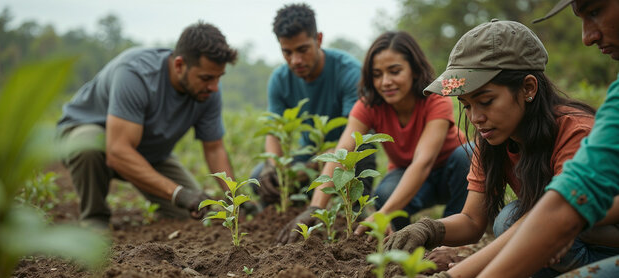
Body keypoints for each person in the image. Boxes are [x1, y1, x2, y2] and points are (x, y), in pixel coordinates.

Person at [394, 8, 619, 278]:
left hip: (596, 241)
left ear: (528, 88)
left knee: (519, 221)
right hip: (560, 241)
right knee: (510, 220)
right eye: (467, 106)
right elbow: (472, 219)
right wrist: (429, 228)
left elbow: (553, 215)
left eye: (486, 101)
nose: (477, 117)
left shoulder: (575, 131)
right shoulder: (494, 141)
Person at [276, 31, 471, 245]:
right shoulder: (369, 105)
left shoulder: (435, 99)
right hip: (407, 173)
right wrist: (314, 209)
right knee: (385, 195)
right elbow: (341, 154)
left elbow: (423, 162)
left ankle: (454, 234)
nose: (385, 82)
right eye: (377, 74)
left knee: (467, 155)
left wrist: (384, 213)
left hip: (450, 172)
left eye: (394, 71)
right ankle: (403, 238)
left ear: (414, 70)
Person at [58, 22, 238, 229]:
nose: (214, 87)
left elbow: (214, 149)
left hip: (149, 152)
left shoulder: (209, 91)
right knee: (88, 145)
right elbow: (117, 151)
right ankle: (94, 220)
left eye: (218, 78)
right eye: (206, 78)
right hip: (92, 135)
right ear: (179, 65)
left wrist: (235, 200)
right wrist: (178, 193)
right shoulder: (136, 73)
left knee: (195, 214)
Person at [252, 3, 376, 207]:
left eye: (303, 50)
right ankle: (292, 215)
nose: (295, 60)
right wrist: (273, 167)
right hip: (310, 153)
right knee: (261, 177)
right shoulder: (280, 79)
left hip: (345, 151)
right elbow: (274, 132)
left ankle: (351, 212)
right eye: (287, 52)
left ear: (318, 39)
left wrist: (309, 168)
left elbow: (353, 136)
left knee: (359, 156)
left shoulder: (349, 72)